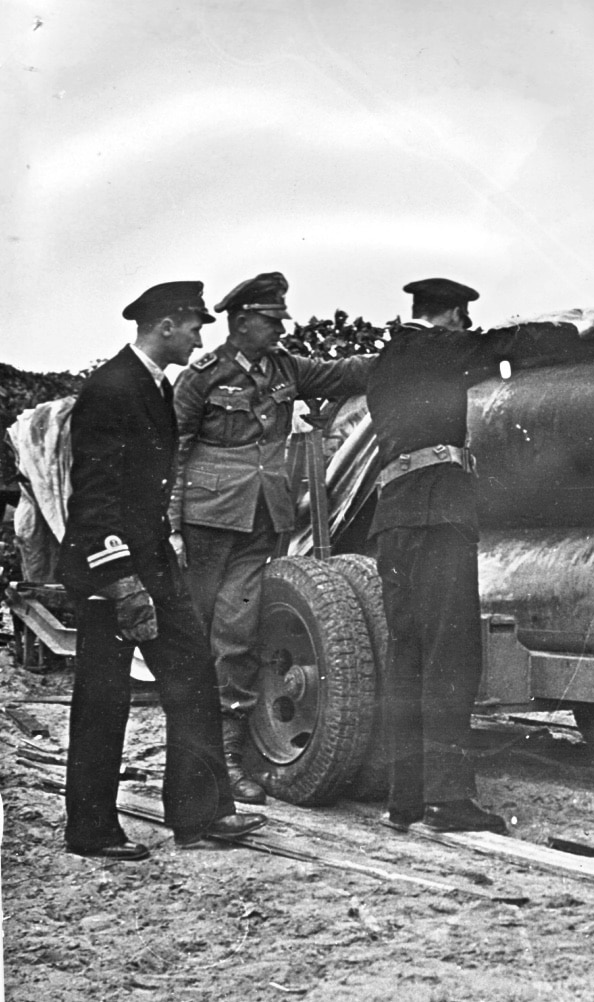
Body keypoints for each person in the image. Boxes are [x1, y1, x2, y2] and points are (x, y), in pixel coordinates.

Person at [366, 278, 594, 834]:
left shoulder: (388, 360)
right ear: (452, 315)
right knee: (450, 655)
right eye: (464, 321)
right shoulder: (435, 346)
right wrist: (582, 329)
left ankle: (406, 798)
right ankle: (449, 801)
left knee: (408, 654)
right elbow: (504, 343)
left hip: (395, 518)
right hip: (436, 514)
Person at [59, 281, 267, 858]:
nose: (202, 337)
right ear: (167, 326)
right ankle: (92, 830)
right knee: (104, 696)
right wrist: (121, 580)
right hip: (112, 567)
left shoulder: (152, 387)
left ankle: (200, 815)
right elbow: (94, 497)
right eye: (195, 326)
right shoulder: (111, 389)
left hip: (149, 559)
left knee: (193, 675)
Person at [168, 272, 374, 803]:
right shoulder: (201, 377)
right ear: (240, 323)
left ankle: (230, 759)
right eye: (269, 321)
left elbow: (343, 372)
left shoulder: (286, 368)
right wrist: (169, 528)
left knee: (235, 637)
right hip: (207, 521)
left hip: (262, 518)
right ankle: (193, 762)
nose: (279, 330)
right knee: (193, 638)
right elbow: (174, 452)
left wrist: (413, 357)